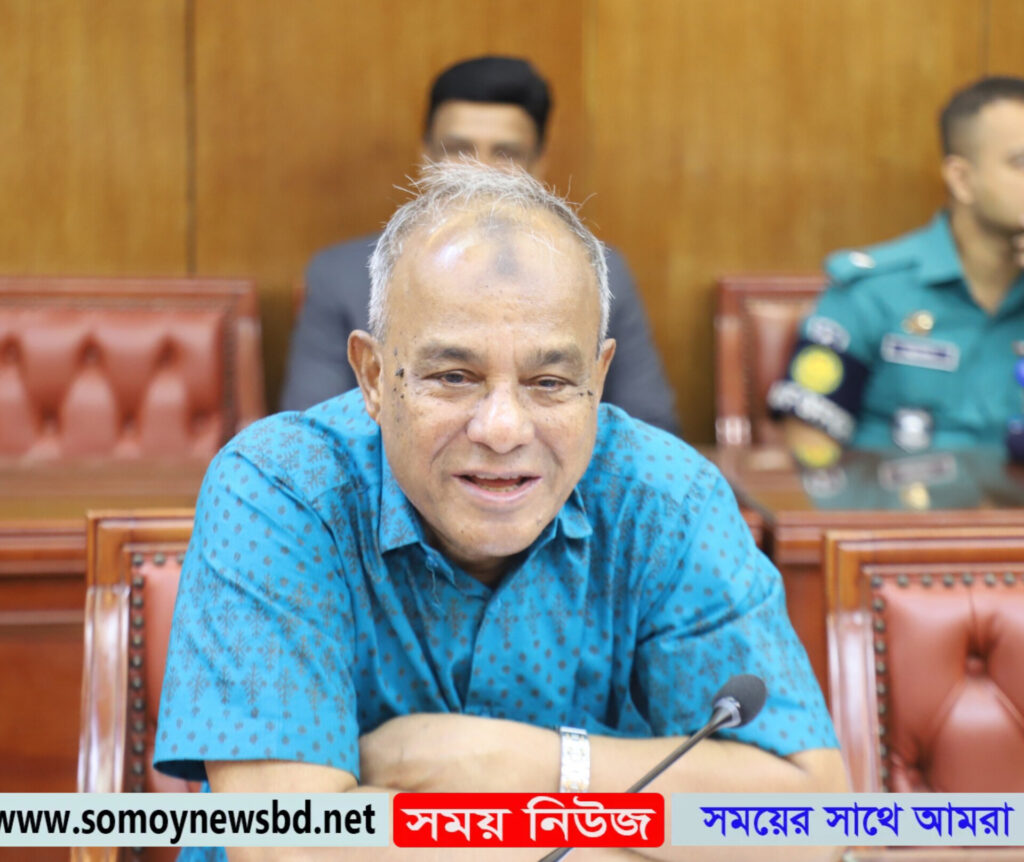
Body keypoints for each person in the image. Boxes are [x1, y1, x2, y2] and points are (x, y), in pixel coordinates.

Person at [155, 162, 846, 860]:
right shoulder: (281, 489)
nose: (503, 428)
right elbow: (292, 846)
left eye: (550, 382)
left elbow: (811, 823)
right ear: (373, 376)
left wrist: (517, 762)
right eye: (454, 377)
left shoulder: (667, 500)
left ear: (598, 380)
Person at [281, 55, 680, 435]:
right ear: (425, 158)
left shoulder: (597, 273)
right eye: (457, 150)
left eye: (506, 153)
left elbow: (650, 430)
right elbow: (313, 431)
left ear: (538, 166)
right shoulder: (341, 276)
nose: (479, 171)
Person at [768, 75, 1024, 461]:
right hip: (895, 498)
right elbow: (809, 436)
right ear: (961, 179)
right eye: (1021, 162)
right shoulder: (872, 289)